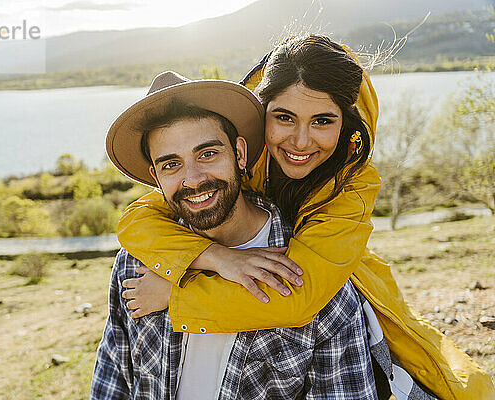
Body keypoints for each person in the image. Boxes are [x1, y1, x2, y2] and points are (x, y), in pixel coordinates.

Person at [114, 35, 495, 399]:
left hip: (326, 272)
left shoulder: (353, 184)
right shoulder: (225, 160)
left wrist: (176, 296)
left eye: (322, 121)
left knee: (414, 365)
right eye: (284, 117)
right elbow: (138, 219)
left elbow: (299, 298)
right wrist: (216, 257)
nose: (299, 141)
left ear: (346, 126)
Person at [91, 73, 379, 399]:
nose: (193, 179)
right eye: (172, 164)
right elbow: (112, 381)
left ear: (240, 154)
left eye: (208, 154)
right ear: (155, 177)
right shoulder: (136, 265)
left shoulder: (315, 279)